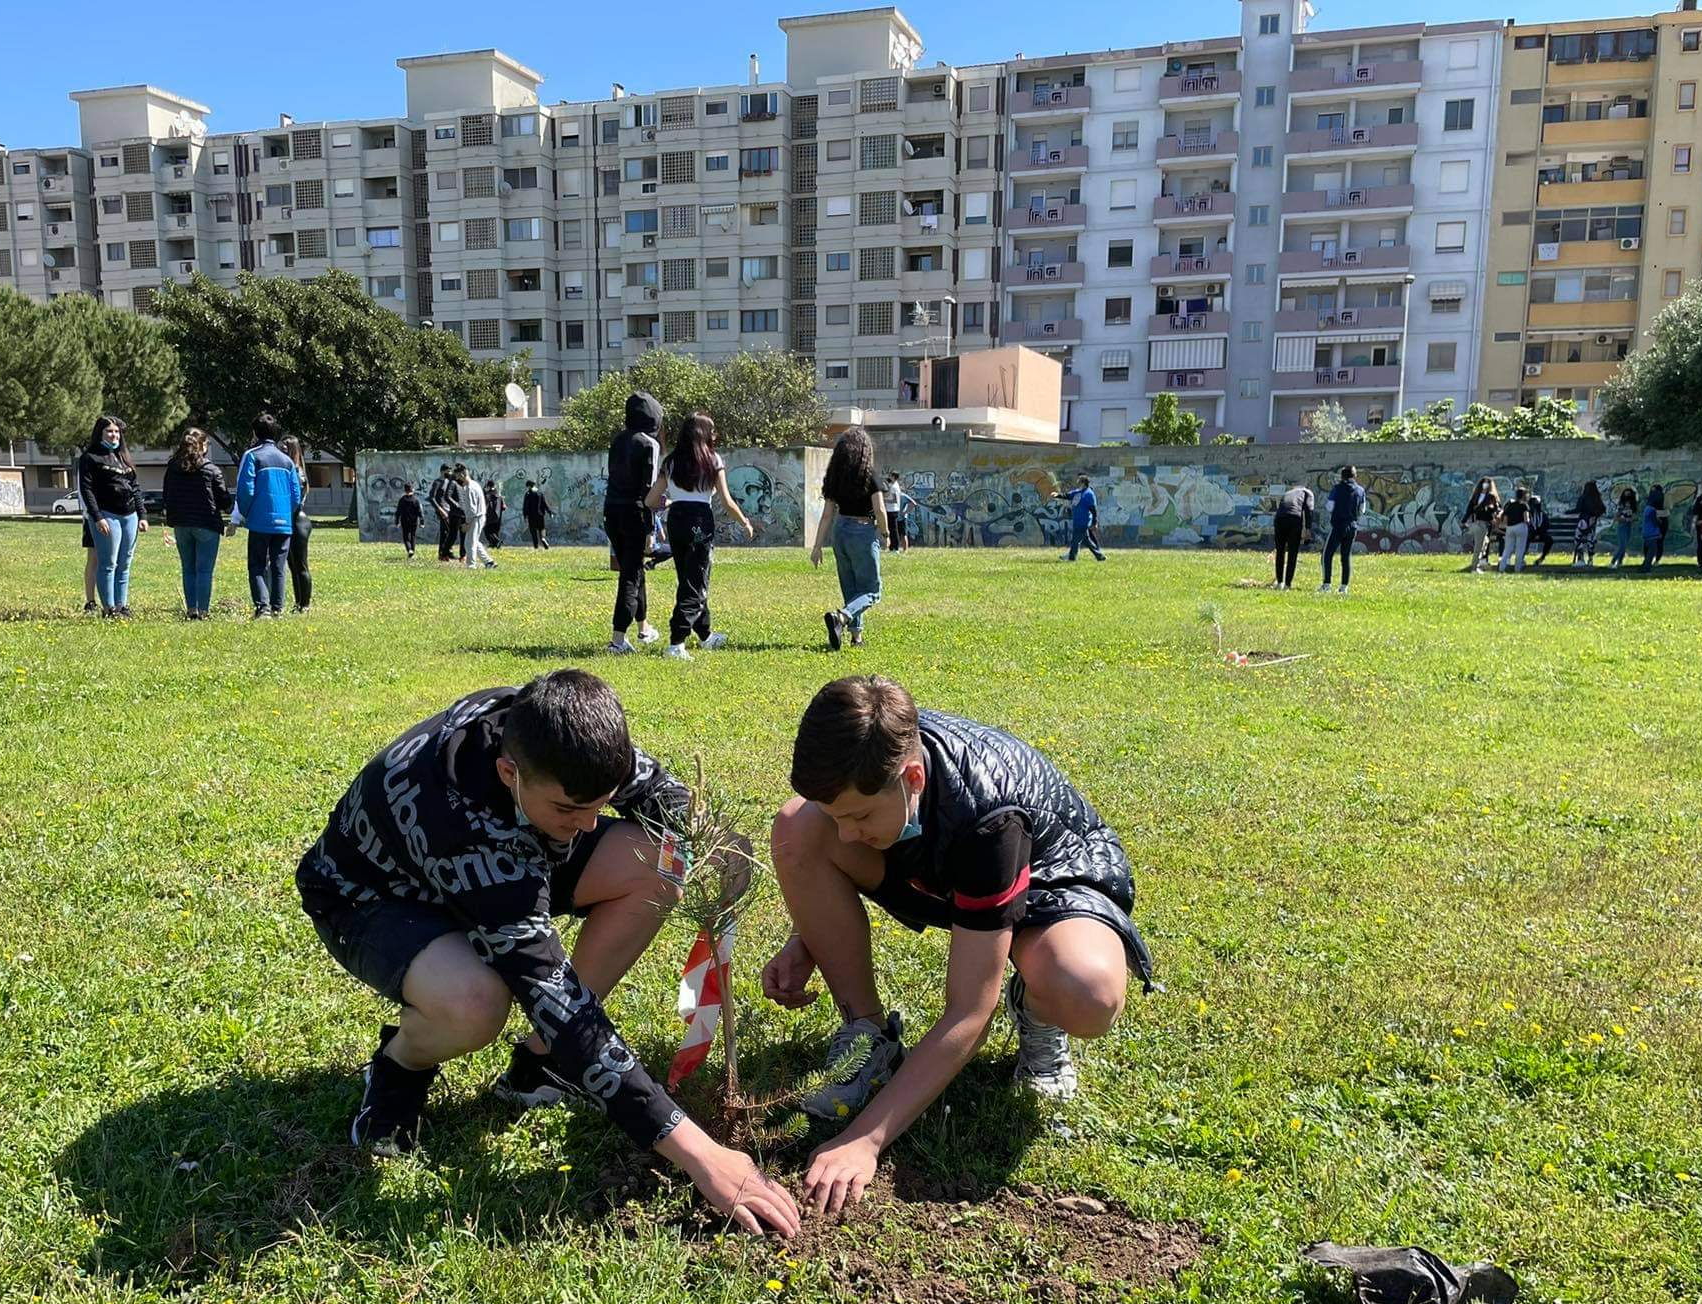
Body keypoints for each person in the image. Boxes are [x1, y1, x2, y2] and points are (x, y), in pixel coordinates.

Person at [295, 670, 797, 1236]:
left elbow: (659, 794)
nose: (586, 825)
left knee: (660, 863)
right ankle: (399, 1068)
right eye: (568, 810)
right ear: (510, 772)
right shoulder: (463, 824)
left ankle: (541, 1066)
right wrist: (703, 1157)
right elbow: (559, 1003)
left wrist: (710, 845)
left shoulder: (563, 735)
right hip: (373, 897)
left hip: (505, 854)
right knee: (475, 1002)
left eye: (597, 805)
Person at [761, 676, 1153, 1214]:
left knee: (1086, 991)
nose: (846, 836)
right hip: (938, 866)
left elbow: (969, 1011)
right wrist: (808, 935)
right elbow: (837, 829)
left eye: (858, 817)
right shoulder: (884, 764)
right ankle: (867, 1035)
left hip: (1048, 878)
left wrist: (866, 1139)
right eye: (839, 817)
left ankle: (1037, 1010)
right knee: (797, 826)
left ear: (912, 777)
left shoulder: (990, 822)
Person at [646, 410, 754, 659]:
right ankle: (676, 642)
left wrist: (672, 502)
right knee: (696, 583)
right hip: (700, 520)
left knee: (688, 579)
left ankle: (705, 636)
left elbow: (651, 499)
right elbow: (727, 501)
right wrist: (745, 522)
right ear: (705, 435)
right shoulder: (713, 460)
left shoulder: (670, 462)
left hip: (676, 519)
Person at [808, 426, 890, 651]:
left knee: (851, 588)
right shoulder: (870, 474)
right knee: (872, 591)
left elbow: (826, 515)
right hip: (862, 531)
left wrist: (817, 547)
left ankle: (856, 638)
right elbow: (880, 509)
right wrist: (885, 533)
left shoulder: (835, 477)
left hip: (840, 531)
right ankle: (841, 617)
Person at [605, 393, 664, 654]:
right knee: (630, 575)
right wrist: (650, 529)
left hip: (612, 511)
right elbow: (648, 492)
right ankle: (618, 639)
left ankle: (644, 628)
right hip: (635, 514)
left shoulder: (617, 440)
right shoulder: (649, 444)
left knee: (634, 569)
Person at [232, 413, 304, 618]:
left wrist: (245, 514)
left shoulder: (253, 456)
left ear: (255, 432)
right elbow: (295, 494)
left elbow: (245, 489)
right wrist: (286, 513)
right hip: (284, 523)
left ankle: (262, 607)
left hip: (260, 521)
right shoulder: (287, 461)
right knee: (279, 567)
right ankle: (277, 609)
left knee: (257, 565)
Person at [77, 415, 146, 618]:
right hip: (107, 516)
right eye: (109, 431)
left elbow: (135, 487)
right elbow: (87, 489)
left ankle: (122, 605)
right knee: (108, 563)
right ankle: (109, 609)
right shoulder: (90, 457)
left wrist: (142, 515)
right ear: (100, 433)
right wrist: (97, 517)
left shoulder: (123, 457)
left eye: (116, 431)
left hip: (129, 516)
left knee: (125, 564)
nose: (114, 435)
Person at [162, 427, 233, 620]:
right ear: (201, 445)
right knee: (204, 570)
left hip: (181, 524)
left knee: (188, 568)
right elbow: (224, 500)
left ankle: (191, 609)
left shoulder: (173, 468)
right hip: (206, 523)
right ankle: (203, 610)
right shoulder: (210, 469)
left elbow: (167, 495)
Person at [280, 437, 314, 613]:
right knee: (292, 566)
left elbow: (295, 498)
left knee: (301, 565)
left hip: (298, 520)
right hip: (290, 520)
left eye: (285, 448)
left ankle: (305, 604)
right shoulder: (288, 469)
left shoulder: (296, 471)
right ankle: (298, 602)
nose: (282, 451)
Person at [1319, 464, 1362, 593]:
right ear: (1355, 476)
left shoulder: (1337, 489)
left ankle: (1326, 585)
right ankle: (1344, 587)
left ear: (1342, 476)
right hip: (1352, 526)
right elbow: (1362, 509)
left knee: (1327, 554)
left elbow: (1329, 507)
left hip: (1338, 525)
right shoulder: (1360, 490)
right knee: (1346, 556)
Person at [1272, 479, 1314, 588]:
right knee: (1292, 552)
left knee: (1280, 551)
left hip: (1279, 519)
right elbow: (1309, 510)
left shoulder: (1288, 493)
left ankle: (1279, 582)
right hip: (1294, 519)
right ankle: (1287, 584)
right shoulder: (1307, 492)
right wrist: (1308, 529)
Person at [1061, 474, 1105, 564]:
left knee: (1075, 540)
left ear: (1083, 483)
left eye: (1079, 481)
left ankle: (1072, 557)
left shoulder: (1089, 494)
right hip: (1077, 521)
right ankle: (1100, 556)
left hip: (1083, 521)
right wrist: (1057, 495)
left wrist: (1094, 522)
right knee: (1087, 541)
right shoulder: (1077, 492)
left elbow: (1093, 509)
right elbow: (1068, 496)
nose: (1077, 483)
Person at [457, 467, 493, 570]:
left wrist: (467, 524)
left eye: (458, 476)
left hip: (475, 517)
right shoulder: (475, 484)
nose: (457, 479)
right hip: (479, 516)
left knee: (469, 543)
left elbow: (471, 509)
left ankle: (471, 565)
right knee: (474, 541)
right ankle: (488, 561)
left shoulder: (469, 488)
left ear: (463, 474)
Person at [1463, 476, 1501, 574]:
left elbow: (1496, 509)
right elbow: (1470, 509)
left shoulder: (1491, 496)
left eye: (1487, 483)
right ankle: (1474, 568)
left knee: (1484, 545)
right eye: (1484, 483)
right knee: (1479, 547)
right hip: (1478, 523)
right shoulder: (1476, 496)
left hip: (1486, 524)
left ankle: (1478, 565)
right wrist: (1464, 521)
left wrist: (1492, 511)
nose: (1485, 485)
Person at [1499, 480, 1536, 573]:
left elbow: (1505, 518)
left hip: (1510, 528)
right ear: (1524, 495)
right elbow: (1526, 518)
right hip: (1521, 527)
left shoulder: (1510, 505)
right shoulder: (1524, 505)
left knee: (1507, 549)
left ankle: (1502, 567)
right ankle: (1517, 569)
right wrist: (1529, 525)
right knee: (1520, 548)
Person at [1572, 479, 1606, 567]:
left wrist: (1567, 512)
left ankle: (1581, 558)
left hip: (1583, 521)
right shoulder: (1597, 498)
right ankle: (1590, 559)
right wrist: (1595, 516)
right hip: (1592, 524)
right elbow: (1603, 509)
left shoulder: (1583, 497)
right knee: (1590, 539)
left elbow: (1578, 509)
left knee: (1578, 538)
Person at [429, 468, 457, 562]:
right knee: (446, 531)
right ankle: (443, 553)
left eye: (450, 471)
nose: (449, 473)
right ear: (442, 471)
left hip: (448, 509)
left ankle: (447, 552)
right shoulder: (437, 482)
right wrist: (440, 509)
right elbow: (432, 498)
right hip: (442, 509)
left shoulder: (448, 482)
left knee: (448, 531)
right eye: (448, 471)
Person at [884, 471, 914, 554]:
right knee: (891, 529)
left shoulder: (894, 487)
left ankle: (895, 548)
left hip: (892, 510)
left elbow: (894, 500)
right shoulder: (892, 485)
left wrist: (884, 500)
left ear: (893, 477)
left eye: (890, 476)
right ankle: (892, 548)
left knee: (893, 530)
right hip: (890, 510)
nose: (888, 477)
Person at [1609, 484, 1638, 569]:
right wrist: (1624, 519)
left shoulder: (1633, 505)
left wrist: (1632, 519)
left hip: (1629, 526)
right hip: (1622, 525)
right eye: (1626, 494)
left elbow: (1635, 515)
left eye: (1629, 494)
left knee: (1625, 545)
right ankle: (1613, 562)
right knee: (1622, 545)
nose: (1627, 497)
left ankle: (1620, 562)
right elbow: (1616, 517)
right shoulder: (1621, 505)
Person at [1641, 482, 1668, 569]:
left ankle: (1655, 560)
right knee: (1649, 545)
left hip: (1660, 520)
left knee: (1658, 543)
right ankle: (1647, 562)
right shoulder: (1650, 507)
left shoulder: (1661, 500)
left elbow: (1666, 511)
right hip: (1652, 527)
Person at [1527, 487, 1555, 566]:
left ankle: (1542, 558)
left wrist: (1539, 533)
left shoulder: (1542, 514)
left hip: (1541, 533)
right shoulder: (1527, 513)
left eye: (1537, 504)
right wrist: (1533, 532)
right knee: (1525, 539)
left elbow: (1546, 525)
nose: (1535, 506)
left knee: (1549, 540)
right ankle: (1521, 558)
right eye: (1533, 504)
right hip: (1530, 533)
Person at [522, 479, 552, 550]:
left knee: (533, 531)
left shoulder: (528, 494)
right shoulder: (540, 493)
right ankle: (543, 539)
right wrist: (549, 512)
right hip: (540, 515)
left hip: (532, 516)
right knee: (542, 529)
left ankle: (536, 545)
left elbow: (525, 506)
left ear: (529, 486)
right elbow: (544, 504)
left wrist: (525, 515)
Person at [394, 483, 422, 559]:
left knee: (406, 537)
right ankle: (412, 551)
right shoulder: (416, 500)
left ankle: (409, 549)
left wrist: (397, 521)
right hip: (414, 521)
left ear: (405, 490)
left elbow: (398, 512)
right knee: (413, 536)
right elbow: (419, 511)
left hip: (404, 521)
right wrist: (422, 522)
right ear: (412, 489)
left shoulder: (402, 500)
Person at [482, 478, 506, 551]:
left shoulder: (487, 495)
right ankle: (493, 544)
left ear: (488, 486)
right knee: (495, 531)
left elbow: (485, 505)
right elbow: (504, 507)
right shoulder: (498, 495)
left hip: (489, 516)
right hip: (498, 516)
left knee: (487, 531)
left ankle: (497, 542)